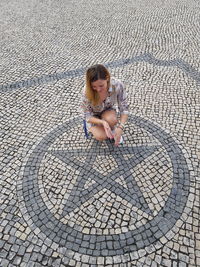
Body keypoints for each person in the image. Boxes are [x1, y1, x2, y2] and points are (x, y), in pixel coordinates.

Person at [81, 64, 129, 146]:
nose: (98, 90)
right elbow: (86, 115)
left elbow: (124, 108)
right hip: (93, 116)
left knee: (112, 120)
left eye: (101, 85)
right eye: (94, 87)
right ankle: (101, 126)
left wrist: (121, 127)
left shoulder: (117, 85)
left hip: (108, 110)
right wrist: (102, 122)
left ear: (107, 78)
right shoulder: (86, 91)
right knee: (101, 136)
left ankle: (112, 129)